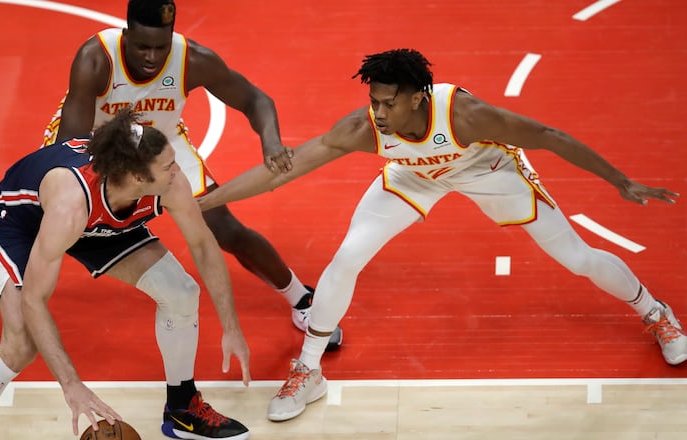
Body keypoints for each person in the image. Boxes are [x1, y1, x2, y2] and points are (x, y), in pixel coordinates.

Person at [197, 48, 687, 421]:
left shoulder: (466, 115)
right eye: (374, 101)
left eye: (390, 102)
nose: (380, 112)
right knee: (347, 256)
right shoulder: (365, 127)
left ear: (418, 97)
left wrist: (621, 180)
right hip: (414, 175)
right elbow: (285, 169)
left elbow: (550, 136)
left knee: (576, 258)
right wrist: (203, 203)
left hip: (487, 170)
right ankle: (309, 370)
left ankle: (655, 312)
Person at [0, 0, 342, 349]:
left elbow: (255, 98)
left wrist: (270, 141)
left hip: (160, 143)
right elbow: (70, 144)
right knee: (33, 212)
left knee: (224, 227)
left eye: (159, 47)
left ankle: (300, 298)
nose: (150, 56)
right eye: (142, 46)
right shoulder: (96, 58)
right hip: (93, 143)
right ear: (125, 34)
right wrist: (96, 191)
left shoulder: (192, 59)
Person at [0, 109, 251, 440]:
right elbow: (34, 298)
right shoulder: (69, 204)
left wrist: (231, 326)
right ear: (136, 177)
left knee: (181, 292)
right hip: (26, 223)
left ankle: (182, 410)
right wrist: (72, 384)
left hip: (99, 219)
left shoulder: (168, 183)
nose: (177, 171)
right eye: (167, 167)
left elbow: (203, 246)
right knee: (20, 346)